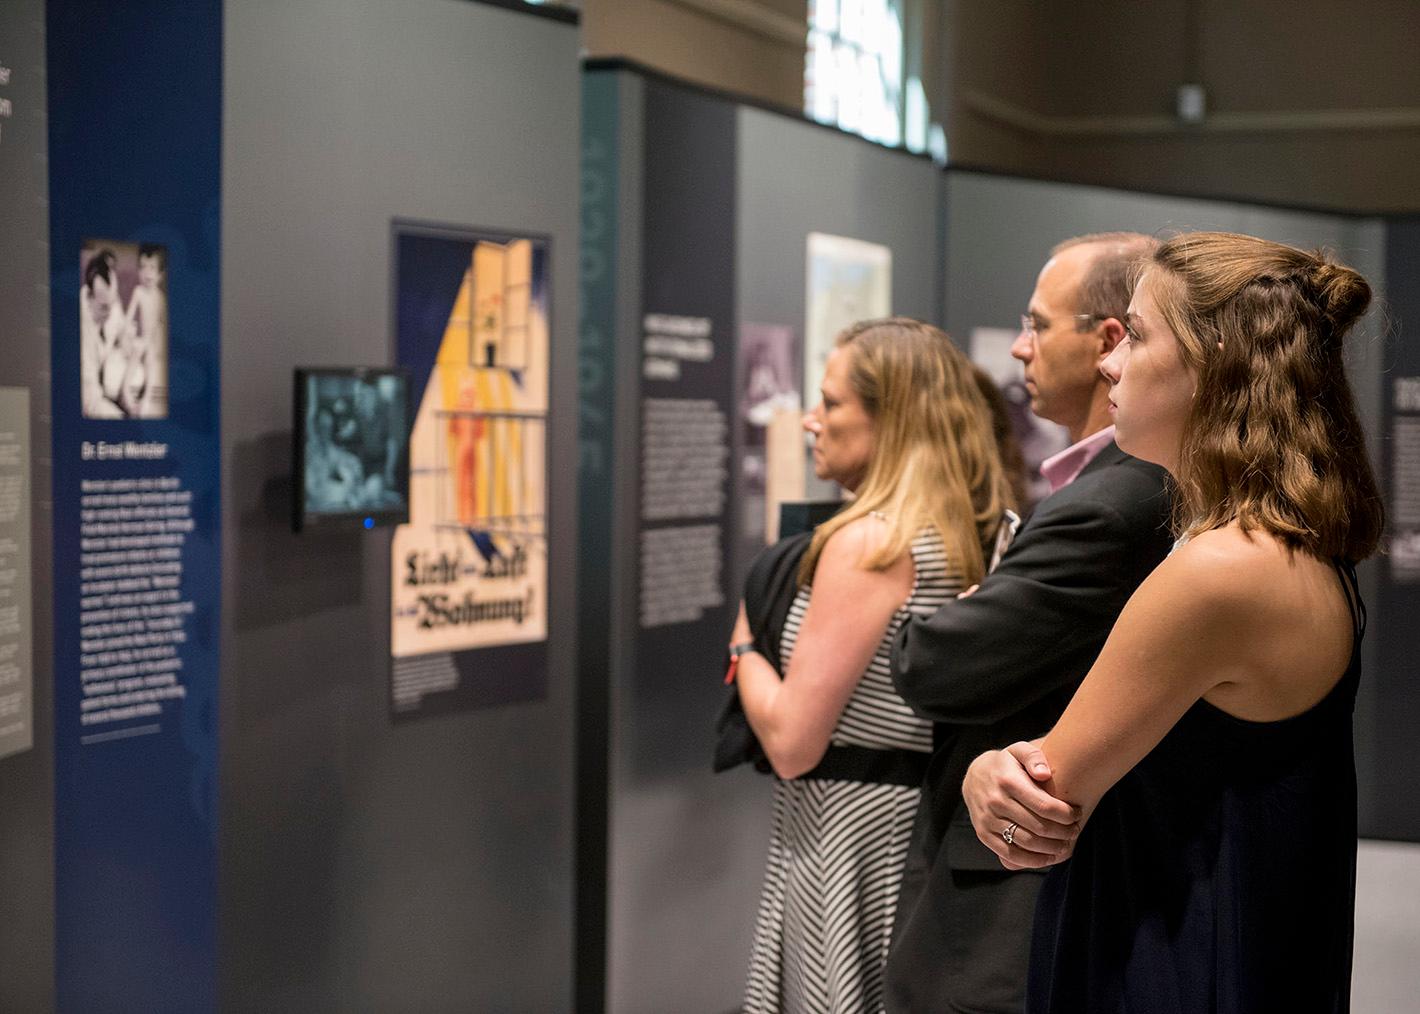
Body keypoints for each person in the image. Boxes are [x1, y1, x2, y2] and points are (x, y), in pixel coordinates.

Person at [962, 232, 1383, 1013]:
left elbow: (1034, 814)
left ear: (1213, 363)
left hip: (1168, 967)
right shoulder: (1284, 547)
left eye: (1137, 335)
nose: (1110, 364)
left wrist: (983, 772)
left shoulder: (1220, 569)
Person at [884, 234, 1174, 1013]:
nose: (1020, 347)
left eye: (1038, 324)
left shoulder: (1115, 501)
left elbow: (931, 664)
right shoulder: (1104, 489)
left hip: (1021, 886)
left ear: (1108, 341)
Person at [734, 318, 1015, 1013]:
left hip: (845, 837)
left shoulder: (870, 545)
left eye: (831, 403)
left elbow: (793, 742)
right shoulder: (961, 532)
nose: (811, 420)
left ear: (890, 420)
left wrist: (743, 650)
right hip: (907, 825)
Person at [80, 248, 127, 419]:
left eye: (112, 304)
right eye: (104, 307)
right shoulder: (81, 330)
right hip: (91, 394)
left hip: (107, 379)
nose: (110, 312)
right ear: (89, 297)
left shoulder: (110, 300)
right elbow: (90, 402)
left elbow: (124, 331)